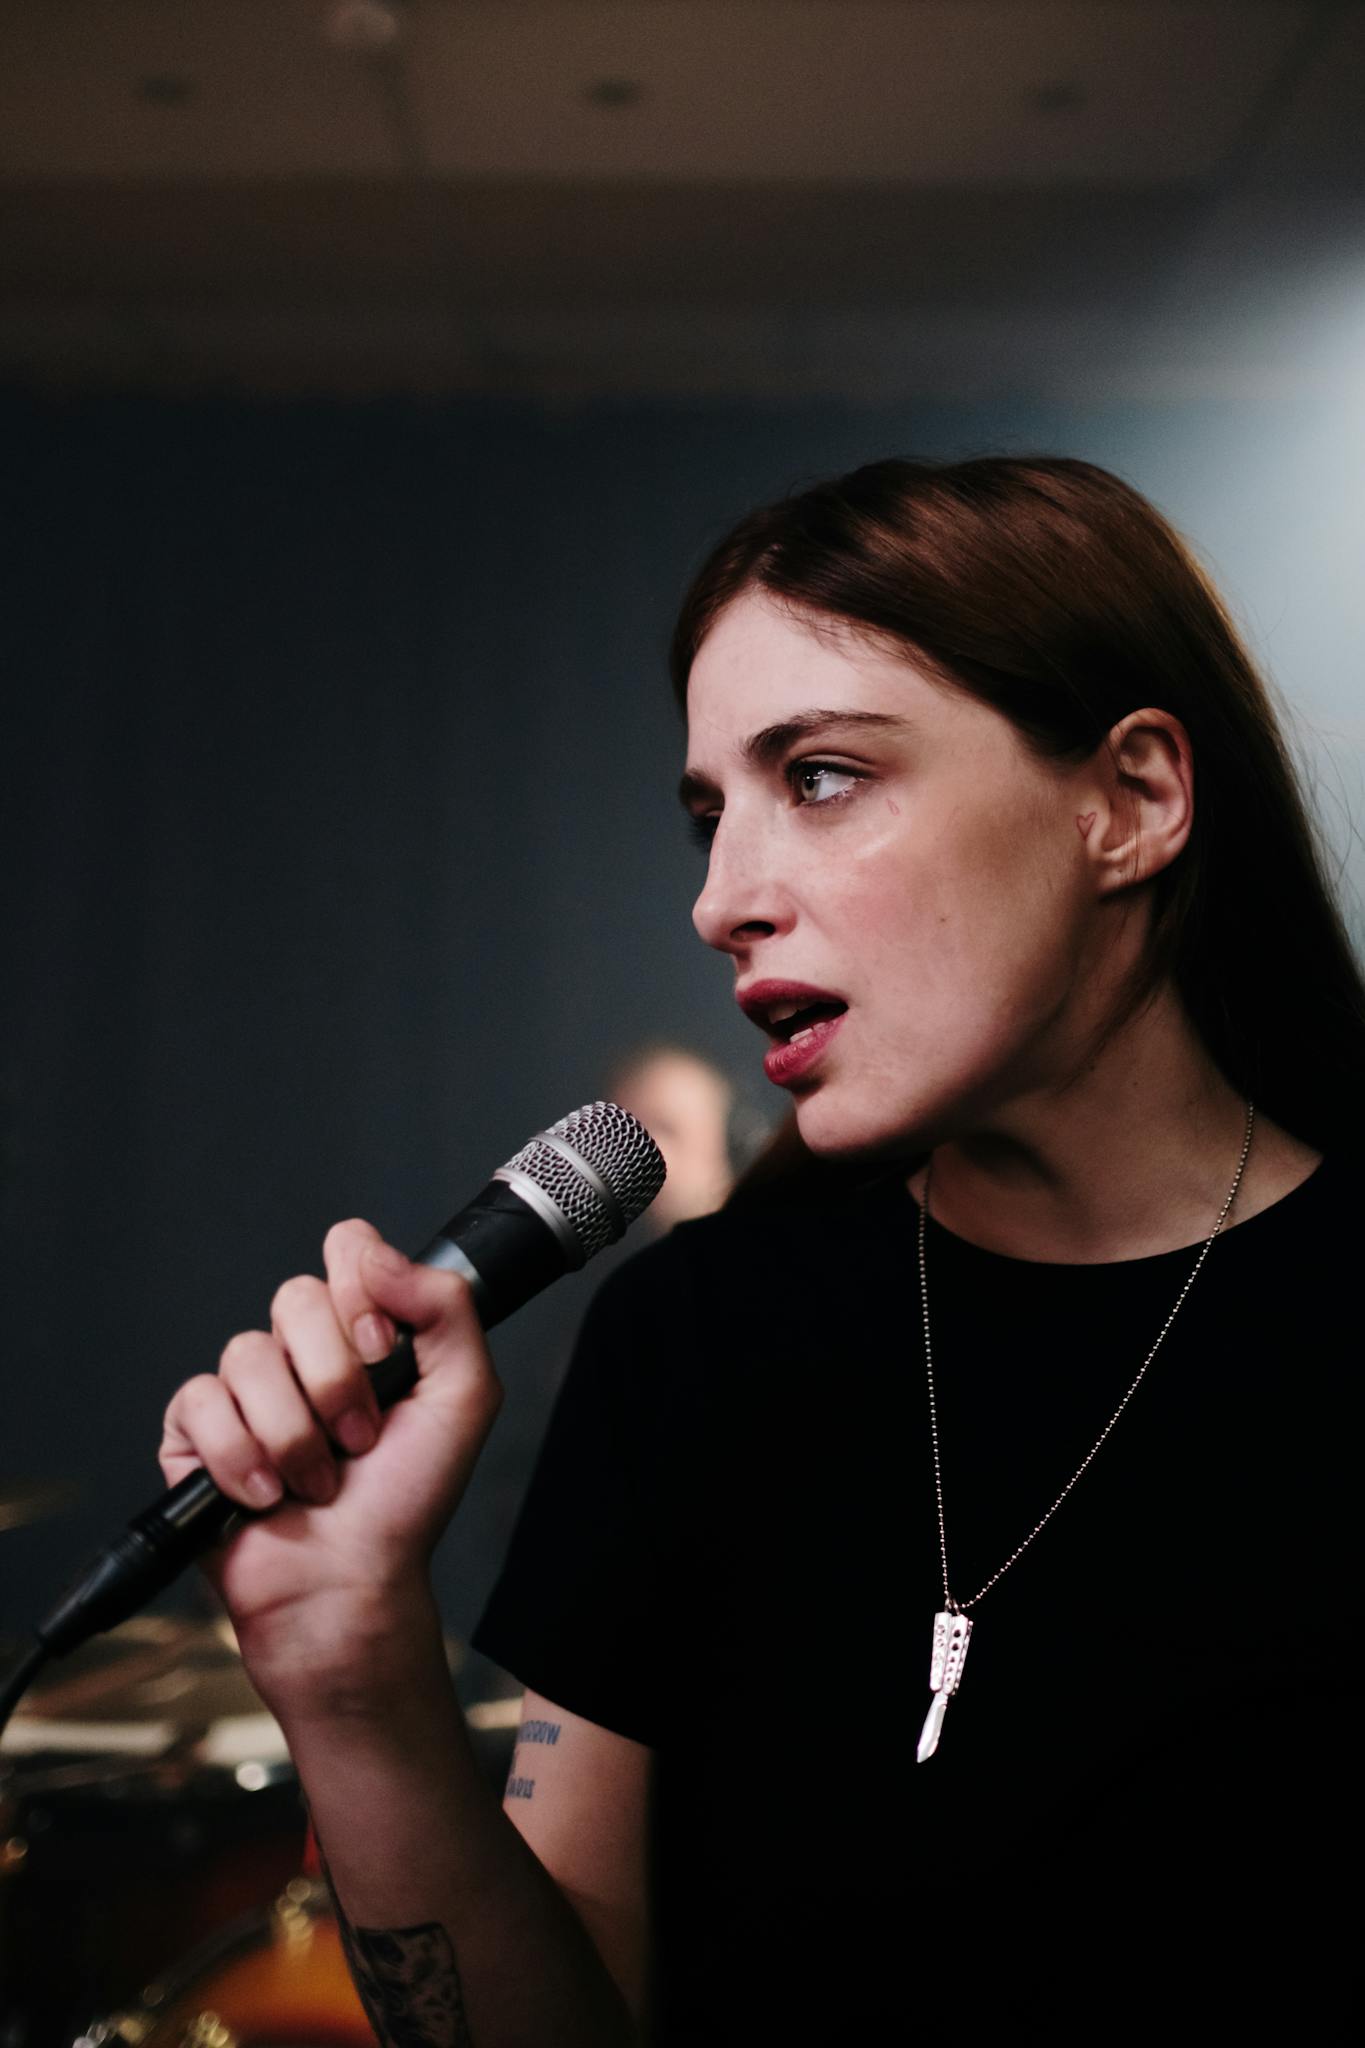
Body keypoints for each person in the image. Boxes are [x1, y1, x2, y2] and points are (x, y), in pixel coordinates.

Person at [159, 457, 1364, 2043]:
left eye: (820, 776)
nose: (720, 900)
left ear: (1128, 802)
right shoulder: (695, 1344)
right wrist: (350, 1678)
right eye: (707, 816)